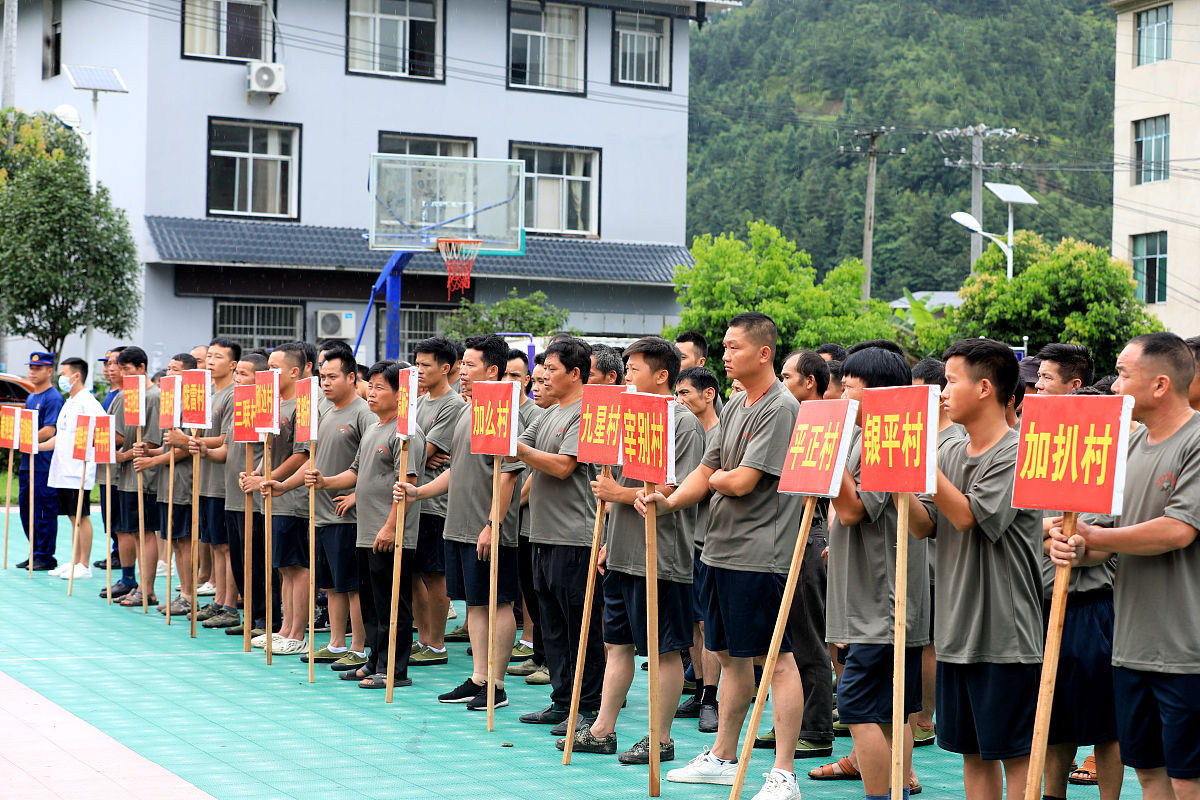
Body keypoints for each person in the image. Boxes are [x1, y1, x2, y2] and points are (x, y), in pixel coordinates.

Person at [639, 312, 807, 800]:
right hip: (719, 550)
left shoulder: (780, 407)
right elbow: (709, 469)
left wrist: (716, 478)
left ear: (764, 353)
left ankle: (784, 773)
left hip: (760, 555)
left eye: (736, 347)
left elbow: (741, 481)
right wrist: (669, 501)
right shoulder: (736, 405)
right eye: (726, 347)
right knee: (730, 658)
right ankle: (722, 756)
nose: (726, 355)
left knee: (777, 661)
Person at [1049, 332, 1200, 800]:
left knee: (1188, 777)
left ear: (1160, 385)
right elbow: (1104, 540)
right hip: (1131, 645)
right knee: (1150, 772)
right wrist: (1074, 547)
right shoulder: (1129, 448)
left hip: (1186, 649)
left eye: (1121, 374)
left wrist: (1095, 537)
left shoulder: (1196, 442)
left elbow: (1178, 529)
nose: (1113, 387)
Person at [906, 338, 1043, 800]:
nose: (942, 393)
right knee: (973, 753)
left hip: (1004, 634)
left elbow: (969, 517)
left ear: (985, 388)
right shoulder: (948, 454)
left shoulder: (1017, 452)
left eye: (951, 381)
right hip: (956, 630)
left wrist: (918, 461)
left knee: (1014, 753)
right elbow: (925, 525)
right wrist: (901, 483)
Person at [559, 336, 703, 764]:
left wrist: (617, 494)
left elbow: (676, 491)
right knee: (616, 643)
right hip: (621, 551)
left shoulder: (682, 423)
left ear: (662, 375)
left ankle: (661, 738)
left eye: (635, 369)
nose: (626, 376)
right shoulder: (628, 417)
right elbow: (618, 483)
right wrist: (607, 541)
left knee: (663, 649)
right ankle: (602, 729)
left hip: (661, 556)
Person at [398, 335, 526, 711]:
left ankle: (497, 684)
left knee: (498, 603)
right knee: (475, 604)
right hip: (458, 525)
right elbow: (457, 470)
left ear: (493, 370)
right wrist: (419, 492)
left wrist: (492, 524)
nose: (462, 371)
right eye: (462, 364)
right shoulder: (469, 408)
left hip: (486, 527)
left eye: (470, 365)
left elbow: (508, 475)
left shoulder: (501, 409)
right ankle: (479, 677)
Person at [823, 347, 927, 799]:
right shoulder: (866, 436)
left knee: (858, 706)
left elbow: (853, 510)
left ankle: (881, 795)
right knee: (888, 710)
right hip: (871, 599)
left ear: (878, 392)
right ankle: (896, 787)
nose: (840, 395)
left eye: (848, 387)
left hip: (883, 604)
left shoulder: (887, 439)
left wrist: (826, 451)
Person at [306, 360, 426, 690]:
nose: (371, 393)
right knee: (372, 603)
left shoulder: (406, 433)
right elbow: (355, 473)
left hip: (391, 533)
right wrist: (325, 481)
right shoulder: (374, 428)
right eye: (369, 386)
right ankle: (375, 660)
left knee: (392, 604)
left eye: (379, 388)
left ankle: (394, 669)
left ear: (400, 394)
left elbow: (408, 484)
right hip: (365, 531)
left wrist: (390, 527)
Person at [515, 337, 605, 734]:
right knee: (550, 624)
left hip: (576, 537)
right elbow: (524, 447)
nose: (544, 377)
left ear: (575, 373)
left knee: (580, 627)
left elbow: (564, 466)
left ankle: (588, 705)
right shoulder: (548, 412)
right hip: (543, 534)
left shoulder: (588, 412)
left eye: (551, 369)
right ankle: (562, 699)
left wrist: (517, 449)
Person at [271, 349, 375, 668]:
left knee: (352, 586)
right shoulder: (324, 412)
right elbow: (313, 464)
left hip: (348, 517)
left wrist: (356, 495)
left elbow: (372, 465)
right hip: (321, 514)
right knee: (330, 585)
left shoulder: (363, 414)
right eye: (323, 377)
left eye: (333, 377)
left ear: (352, 378)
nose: (326, 383)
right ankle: (336, 642)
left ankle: (358, 647)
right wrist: (284, 485)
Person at [773, 350, 836, 760]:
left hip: (809, 533)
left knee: (808, 637)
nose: (782, 384)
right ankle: (790, 723)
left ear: (809, 382)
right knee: (786, 640)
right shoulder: (790, 418)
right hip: (784, 536)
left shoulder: (824, 424)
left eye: (787, 376)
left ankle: (816, 727)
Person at [907, 357, 965, 748]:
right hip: (912, 554)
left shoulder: (953, 442)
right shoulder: (920, 435)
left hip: (936, 558)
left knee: (928, 642)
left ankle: (925, 718)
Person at [247, 342, 313, 654]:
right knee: (283, 567)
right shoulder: (273, 403)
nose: (268, 373)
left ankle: (297, 633)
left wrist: (271, 478)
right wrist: (257, 472)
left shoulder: (304, 405)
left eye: (274, 368)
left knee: (297, 566)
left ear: (294, 372)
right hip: (273, 497)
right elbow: (269, 449)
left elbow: (303, 454)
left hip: (293, 498)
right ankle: (284, 628)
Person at [673, 365, 722, 732]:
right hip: (682, 539)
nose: (679, 400)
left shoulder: (722, 433)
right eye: (676, 394)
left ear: (708, 394)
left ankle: (711, 698)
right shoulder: (680, 430)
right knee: (690, 621)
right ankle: (698, 688)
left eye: (685, 393)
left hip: (710, 541)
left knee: (707, 623)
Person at [412, 336, 466, 665]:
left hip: (434, 502)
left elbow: (424, 452)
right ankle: (423, 638)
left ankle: (436, 643)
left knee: (434, 574)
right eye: (416, 364)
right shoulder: (418, 402)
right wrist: (420, 455)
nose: (418, 370)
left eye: (425, 365)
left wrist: (420, 455)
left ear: (445, 368)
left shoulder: (453, 405)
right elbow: (408, 450)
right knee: (413, 573)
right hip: (412, 498)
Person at [135, 353, 198, 616]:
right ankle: (183, 593)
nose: (169, 374)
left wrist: (152, 461)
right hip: (167, 483)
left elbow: (186, 448)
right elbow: (167, 446)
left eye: (176, 370)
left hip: (183, 483)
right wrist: (148, 451)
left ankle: (189, 594)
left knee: (184, 541)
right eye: (169, 369)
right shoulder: (171, 403)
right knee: (174, 542)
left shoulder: (193, 404)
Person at [191, 337, 241, 629]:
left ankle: (229, 604)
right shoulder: (208, 393)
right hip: (206, 481)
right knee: (213, 544)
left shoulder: (233, 395)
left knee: (225, 547)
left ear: (233, 364)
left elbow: (225, 439)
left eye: (218, 357)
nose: (210, 361)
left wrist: (194, 443)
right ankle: (219, 599)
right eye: (209, 355)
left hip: (224, 483)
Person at [44, 357, 105, 580]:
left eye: (64, 373)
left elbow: (101, 432)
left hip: (79, 469)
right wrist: (37, 446)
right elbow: (61, 437)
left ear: (76, 376)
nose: (61, 378)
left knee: (81, 516)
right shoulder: (70, 401)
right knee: (73, 517)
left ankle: (84, 564)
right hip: (64, 468)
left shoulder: (88, 403)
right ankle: (75, 560)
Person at [504, 348, 546, 674]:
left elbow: (532, 469)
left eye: (515, 375)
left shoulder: (535, 413)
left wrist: (511, 503)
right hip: (518, 520)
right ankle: (541, 653)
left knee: (545, 594)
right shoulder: (502, 411)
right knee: (530, 590)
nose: (509, 381)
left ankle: (544, 652)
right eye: (504, 374)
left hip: (534, 517)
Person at [112, 346, 163, 607]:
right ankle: (137, 584)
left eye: (127, 369)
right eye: (120, 369)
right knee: (132, 531)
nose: (123, 374)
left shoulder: (154, 396)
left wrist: (125, 455)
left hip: (146, 475)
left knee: (145, 531)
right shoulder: (128, 395)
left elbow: (152, 441)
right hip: (127, 476)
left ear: (142, 367)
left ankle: (148, 589)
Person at [16, 351, 63, 571]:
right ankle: (35, 551)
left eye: (38, 368)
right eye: (31, 368)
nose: (32, 372)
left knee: (43, 511)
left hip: (44, 464)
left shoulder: (53, 398)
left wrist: (25, 440)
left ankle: (45, 556)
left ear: (49, 371)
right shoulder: (31, 397)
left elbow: (50, 430)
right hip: (28, 462)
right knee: (27, 511)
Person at [93, 347, 126, 571]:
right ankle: (116, 551)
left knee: (118, 515)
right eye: (107, 364)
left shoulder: (126, 395)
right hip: (106, 462)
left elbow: (122, 434)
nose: (109, 368)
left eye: (114, 363)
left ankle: (121, 554)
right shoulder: (110, 394)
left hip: (119, 465)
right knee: (109, 513)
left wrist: (96, 436)